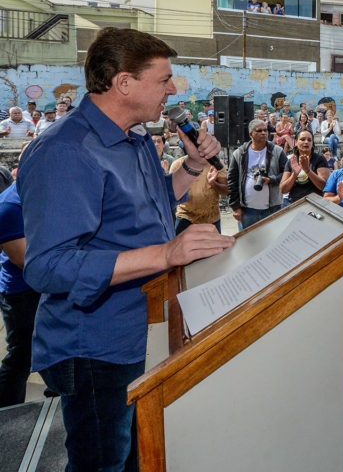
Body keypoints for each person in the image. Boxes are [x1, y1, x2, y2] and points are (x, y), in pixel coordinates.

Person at [17, 27, 234, 470]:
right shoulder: (64, 151)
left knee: (140, 455)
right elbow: (47, 266)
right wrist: (167, 254)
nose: (173, 89)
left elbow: (146, 206)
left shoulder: (132, 140)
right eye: (164, 79)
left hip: (140, 331)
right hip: (96, 347)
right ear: (124, 83)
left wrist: (192, 166)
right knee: (103, 463)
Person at [0, 184, 39, 408]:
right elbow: (25, 260)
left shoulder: (40, 193)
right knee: (21, 356)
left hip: (40, 288)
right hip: (20, 294)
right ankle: (7, 411)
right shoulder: (9, 206)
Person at [228, 119, 288, 230]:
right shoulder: (240, 153)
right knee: (249, 245)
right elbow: (232, 181)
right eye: (259, 130)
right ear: (251, 134)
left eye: (265, 130)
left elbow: (286, 173)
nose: (264, 133)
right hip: (247, 211)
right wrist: (235, 207)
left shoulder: (277, 151)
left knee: (272, 245)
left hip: (272, 209)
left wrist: (272, 180)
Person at [169, 155, 227, 234]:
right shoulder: (178, 165)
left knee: (213, 246)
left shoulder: (217, 164)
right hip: (185, 217)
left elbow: (226, 191)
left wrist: (213, 183)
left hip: (211, 219)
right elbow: (171, 195)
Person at [280, 129, 330, 204]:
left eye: (309, 140)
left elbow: (324, 186)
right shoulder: (291, 161)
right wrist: (294, 175)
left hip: (315, 203)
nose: (306, 142)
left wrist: (308, 170)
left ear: (312, 143)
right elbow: (283, 190)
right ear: (296, 142)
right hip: (295, 203)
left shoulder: (320, 159)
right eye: (302, 139)